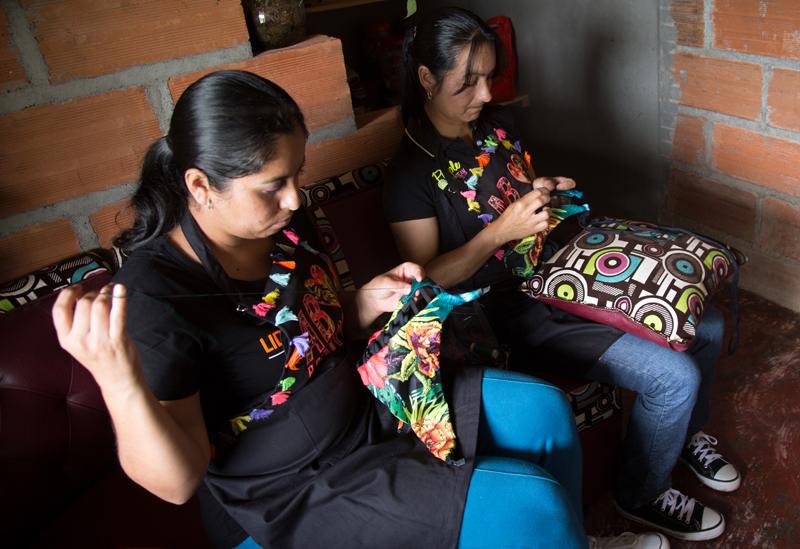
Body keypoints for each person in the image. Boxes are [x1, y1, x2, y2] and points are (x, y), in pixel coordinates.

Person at [52, 70, 666, 549]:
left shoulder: (280, 229)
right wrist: (116, 378)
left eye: (296, 173)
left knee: (543, 408)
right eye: (273, 185)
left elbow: (301, 332)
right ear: (199, 187)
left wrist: (363, 301)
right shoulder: (158, 296)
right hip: (293, 487)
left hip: (369, 403)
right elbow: (178, 480)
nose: (295, 198)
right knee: (529, 505)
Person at [384, 7, 741, 544]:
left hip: (561, 272)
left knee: (706, 325)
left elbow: (520, 198)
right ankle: (640, 492)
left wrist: (542, 193)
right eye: (468, 82)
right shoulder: (409, 174)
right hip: (512, 314)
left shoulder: (499, 126)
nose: (484, 95)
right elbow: (426, 279)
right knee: (675, 375)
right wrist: (497, 233)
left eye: (488, 77)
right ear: (427, 78)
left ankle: (684, 434)